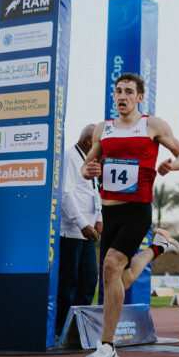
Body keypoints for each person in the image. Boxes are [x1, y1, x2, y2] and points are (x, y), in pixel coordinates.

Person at [79, 73, 179, 357]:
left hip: (137, 211)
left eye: (128, 91)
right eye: (118, 91)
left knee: (110, 266)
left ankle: (107, 347)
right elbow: (88, 164)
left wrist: (172, 164)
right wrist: (88, 170)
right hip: (109, 211)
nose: (122, 96)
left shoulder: (153, 125)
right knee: (117, 278)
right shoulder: (103, 129)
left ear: (140, 97)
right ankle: (157, 248)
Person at [57, 123, 103, 340]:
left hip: (88, 234)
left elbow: (94, 194)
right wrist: (83, 224)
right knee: (69, 282)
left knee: (89, 279)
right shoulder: (69, 158)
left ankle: (80, 328)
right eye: (98, 144)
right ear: (88, 142)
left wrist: (99, 219)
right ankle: (61, 329)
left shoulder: (90, 162)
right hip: (72, 232)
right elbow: (66, 195)